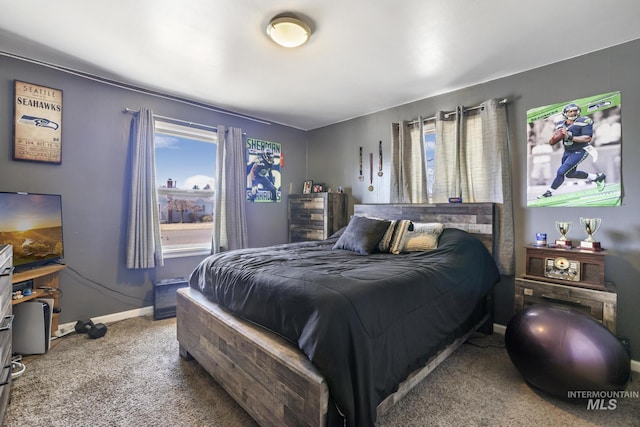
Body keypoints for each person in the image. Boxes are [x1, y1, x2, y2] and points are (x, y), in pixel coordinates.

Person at [538, 103, 605, 198]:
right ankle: (597, 177)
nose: (573, 113)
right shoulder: (560, 124)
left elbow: (587, 138)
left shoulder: (585, 121)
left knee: (561, 171)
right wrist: (556, 137)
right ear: (565, 113)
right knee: (570, 174)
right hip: (567, 151)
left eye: (575, 110)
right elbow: (551, 142)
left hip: (580, 149)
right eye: (570, 111)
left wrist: (569, 137)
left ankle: (549, 192)